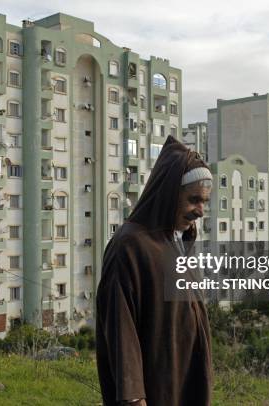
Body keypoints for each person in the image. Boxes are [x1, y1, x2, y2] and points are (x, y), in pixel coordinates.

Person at [96, 136, 213, 405]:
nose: (200, 211)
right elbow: (121, 329)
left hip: (185, 389)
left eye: (205, 201)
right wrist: (135, 398)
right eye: (194, 200)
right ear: (169, 194)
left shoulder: (178, 243)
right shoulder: (130, 246)